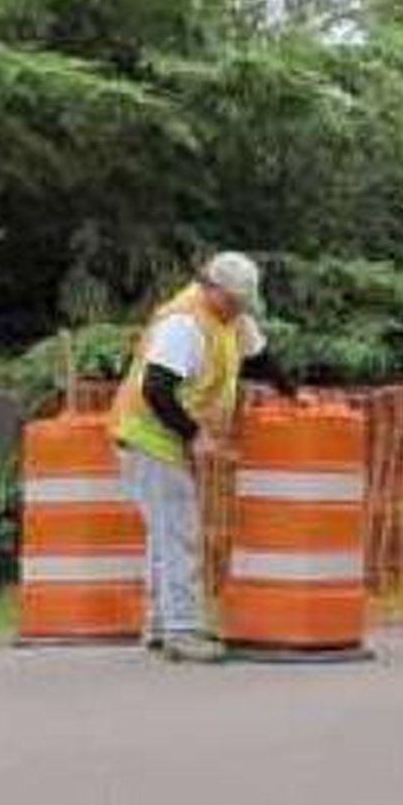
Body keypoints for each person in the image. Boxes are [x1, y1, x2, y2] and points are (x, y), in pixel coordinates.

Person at [110, 252, 299, 663]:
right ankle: (182, 630)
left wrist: (294, 396)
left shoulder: (233, 319)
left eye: (243, 304)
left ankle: (162, 627)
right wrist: (194, 436)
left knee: (167, 533)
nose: (238, 310)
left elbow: (260, 360)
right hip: (150, 436)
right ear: (211, 287)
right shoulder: (184, 324)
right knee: (180, 533)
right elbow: (156, 388)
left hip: (163, 438)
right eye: (232, 301)